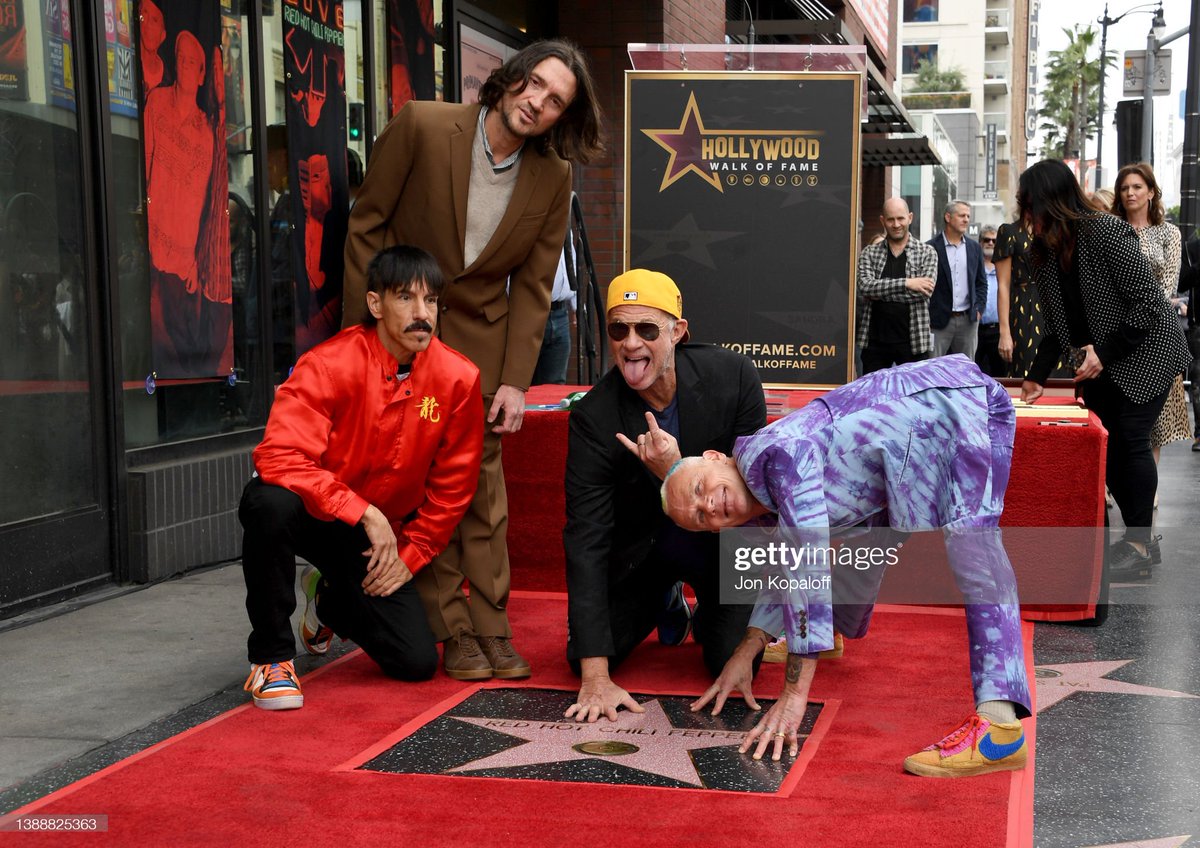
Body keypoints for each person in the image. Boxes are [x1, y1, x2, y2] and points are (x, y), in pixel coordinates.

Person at [343, 39, 604, 680]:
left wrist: (516, 381)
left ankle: (491, 624)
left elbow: (536, 286)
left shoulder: (555, 176)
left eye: (555, 101)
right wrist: (366, 334)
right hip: (408, 337)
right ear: (511, 78)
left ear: (562, 118)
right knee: (422, 481)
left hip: (483, 351)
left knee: (484, 489)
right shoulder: (424, 126)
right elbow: (366, 226)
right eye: (534, 85)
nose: (537, 102)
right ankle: (451, 629)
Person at [662, 355, 1031, 777]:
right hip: (917, 427)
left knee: (974, 551)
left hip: (959, 406)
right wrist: (747, 650)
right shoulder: (758, 492)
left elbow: (807, 562)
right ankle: (833, 630)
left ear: (715, 456)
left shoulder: (773, 455)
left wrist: (794, 695)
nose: (708, 505)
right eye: (700, 517)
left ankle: (1001, 728)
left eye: (698, 488)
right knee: (867, 534)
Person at [239, 246, 483, 710]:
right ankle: (271, 659)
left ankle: (326, 598)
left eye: (431, 301)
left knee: (414, 662)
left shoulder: (458, 379)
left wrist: (408, 558)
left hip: (374, 536)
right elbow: (279, 455)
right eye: (406, 299)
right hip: (311, 512)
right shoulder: (329, 364)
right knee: (266, 503)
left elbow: (453, 489)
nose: (421, 314)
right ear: (375, 305)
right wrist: (362, 510)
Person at [562, 269, 766, 723]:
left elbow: (754, 497)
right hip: (643, 554)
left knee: (732, 660)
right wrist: (595, 675)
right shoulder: (594, 416)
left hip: (719, 549)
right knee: (583, 657)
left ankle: (707, 611)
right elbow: (586, 536)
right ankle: (666, 599)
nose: (630, 344)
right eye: (619, 329)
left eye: (646, 330)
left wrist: (673, 469)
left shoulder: (732, 377)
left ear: (678, 332)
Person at [1019, 159, 1190, 578]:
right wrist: (1034, 377)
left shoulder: (1105, 231)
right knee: (1107, 443)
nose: (1024, 216)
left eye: (1029, 205)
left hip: (1148, 350)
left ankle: (1138, 544)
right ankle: (1142, 542)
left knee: (1131, 438)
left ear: (1051, 202)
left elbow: (1149, 304)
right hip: (1107, 359)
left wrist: (1104, 353)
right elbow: (1058, 326)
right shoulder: (1042, 251)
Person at [1111, 164, 1190, 507]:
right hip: (1117, 338)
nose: (1130, 193)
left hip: (1157, 338)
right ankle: (1118, 486)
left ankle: (1147, 493)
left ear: (1151, 192)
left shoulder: (1168, 233)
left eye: (1137, 186)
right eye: (1125, 187)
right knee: (1120, 421)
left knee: (1153, 424)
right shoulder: (1112, 230)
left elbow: (1168, 287)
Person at [143, 30, 215, 378]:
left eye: (193, 63)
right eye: (181, 60)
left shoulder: (205, 133)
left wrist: (193, 262)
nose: (185, 67)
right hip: (148, 243)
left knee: (179, 335)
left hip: (178, 257)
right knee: (146, 335)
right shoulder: (156, 103)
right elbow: (143, 164)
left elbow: (200, 203)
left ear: (202, 74)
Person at [856, 197, 937, 373]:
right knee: (872, 397)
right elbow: (865, 286)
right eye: (891, 219)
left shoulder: (927, 252)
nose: (896, 224)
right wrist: (908, 282)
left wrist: (880, 293)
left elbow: (923, 293)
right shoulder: (869, 252)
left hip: (914, 342)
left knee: (913, 398)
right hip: (874, 342)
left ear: (910, 217)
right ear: (882, 220)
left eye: (900, 218)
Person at [928, 201, 987, 359]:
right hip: (938, 322)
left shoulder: (974, 248)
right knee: (933, 369)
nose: (966, 219)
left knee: (966, 370)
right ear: (948, 217)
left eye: (968, 216)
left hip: (968, 320)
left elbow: (981, 283)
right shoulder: (930, 248)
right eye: (961, 215)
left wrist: (979, 309)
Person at [531, 241, 576, 385]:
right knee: (525, 380)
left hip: (560, 312)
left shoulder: (564, 229)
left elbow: (572, 265)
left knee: (556, 382)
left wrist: (576, 306)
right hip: (531, 312)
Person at [975, 226, 1005, 377]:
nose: (991, 243)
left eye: (995, 240)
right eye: (987, 240)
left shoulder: (1005, 270)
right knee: (975, 373)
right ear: (980, 242)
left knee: (1000, 374)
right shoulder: (974, 269)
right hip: (976, 330)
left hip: (998, 331)